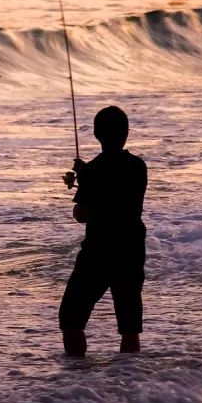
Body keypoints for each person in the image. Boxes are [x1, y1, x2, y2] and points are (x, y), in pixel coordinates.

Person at [59, 106, 147, 357]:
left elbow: (82, 215)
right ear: (126, 133)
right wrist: (87, 177)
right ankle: (129, 379)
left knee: (71, 318)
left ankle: (77, 376)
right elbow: (116, 188)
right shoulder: (138, 167)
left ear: (97, 134)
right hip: (131, 249)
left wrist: (85, 180)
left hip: (98, 252)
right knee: (129, 325)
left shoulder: (93, 172)